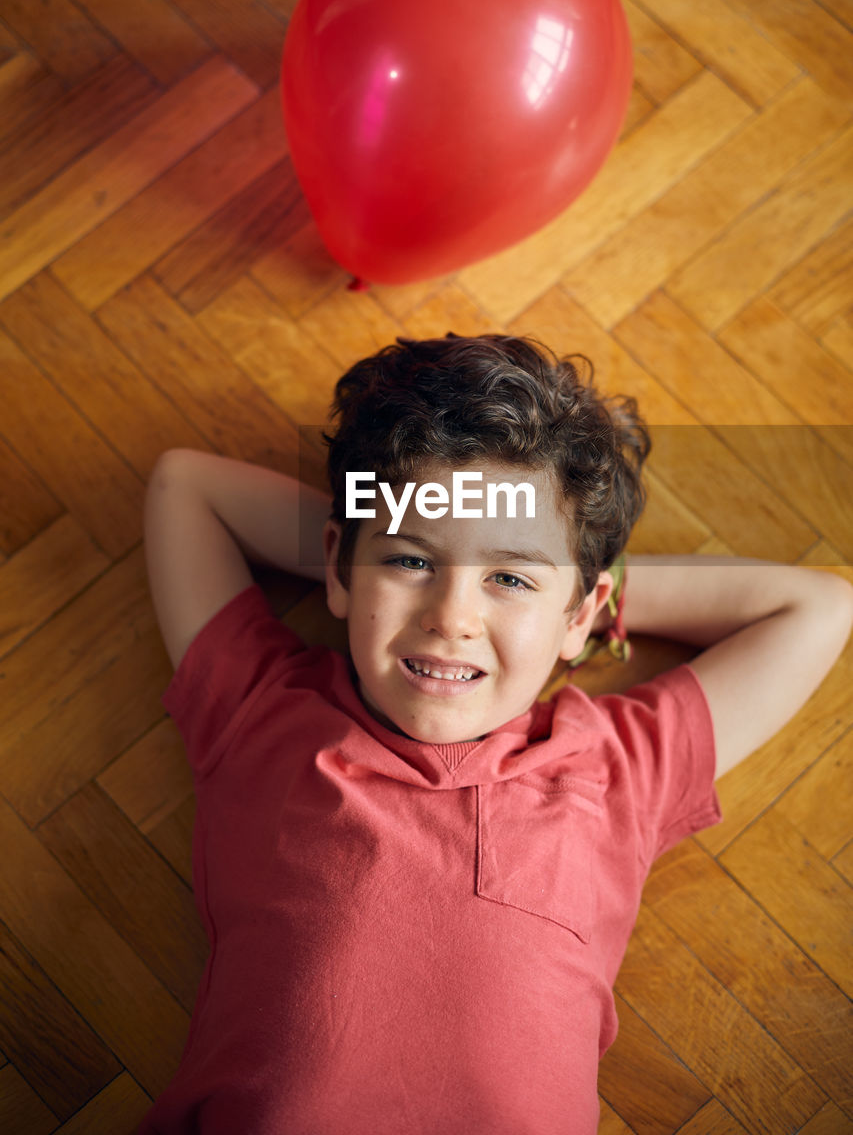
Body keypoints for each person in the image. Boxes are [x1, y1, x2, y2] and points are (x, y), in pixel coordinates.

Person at [139, 334, 852, 1135]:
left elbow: (815, 610)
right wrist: (451, 557)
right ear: (337, 567)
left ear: (582, 613)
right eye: (411, 564)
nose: (452, 618)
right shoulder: (261, 711)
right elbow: (184, 487)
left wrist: (568, 598)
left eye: (507, 579)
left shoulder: (615, 768)